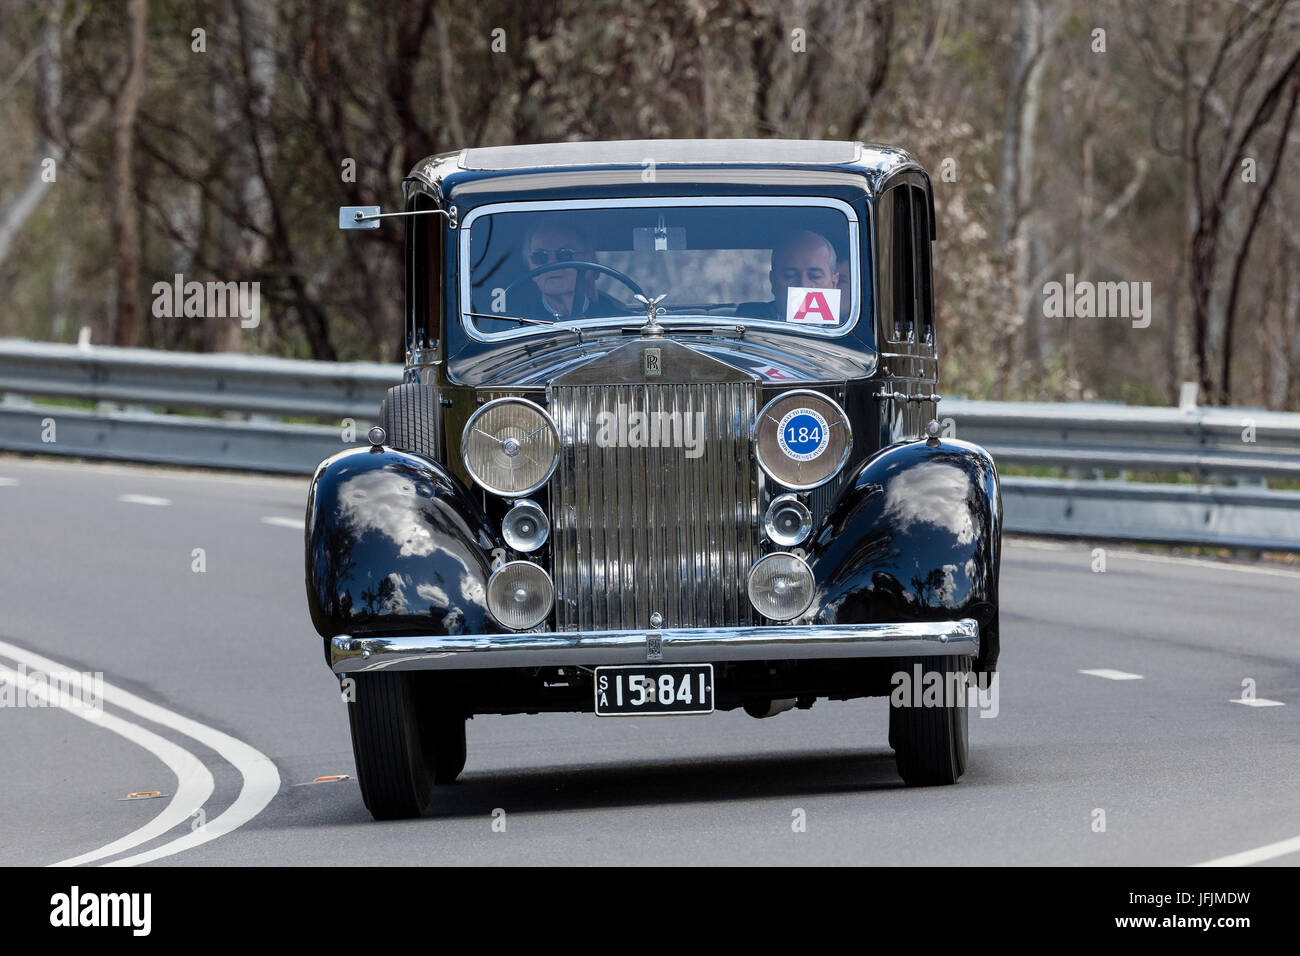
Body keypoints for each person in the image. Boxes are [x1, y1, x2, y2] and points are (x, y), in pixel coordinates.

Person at [511, 221, 626, 320]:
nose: (552, 263)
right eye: (541, 256)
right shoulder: (516, 322)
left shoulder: (618, 318)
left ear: (590, 261)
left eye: (565, 254)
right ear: (530, 266)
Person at [736, 229, 840, 321]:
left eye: (815, 276)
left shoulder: (850, 332)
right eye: (790, 275)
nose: (803, 285)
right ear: (773, 281)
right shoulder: (747, 325)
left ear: (834, 283)